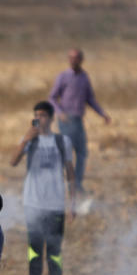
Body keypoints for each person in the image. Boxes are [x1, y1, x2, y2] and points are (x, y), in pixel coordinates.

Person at [10, 101, 75, 275]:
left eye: (44, 115)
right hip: (33, 205)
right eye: (37, 115)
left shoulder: (61, 141)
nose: (40, 119)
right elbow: (13, 162)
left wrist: (72, 203)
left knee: (54, 253)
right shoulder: (29, 140)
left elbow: (70, 173)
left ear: (52, 118)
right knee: (34, 253)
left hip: (55, 205)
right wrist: (26, 140)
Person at [48, 48, 110, 195]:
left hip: (78, 121)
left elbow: (90, 99)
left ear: (81, 59)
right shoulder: (63, 77)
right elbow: (52, 98)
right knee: (66, 153)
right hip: (65, 121)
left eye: (76, 58)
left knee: (82, 152)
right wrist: (60, 113)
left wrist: (103, 114)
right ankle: (62, 185)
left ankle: (76, 185)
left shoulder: (84, 78)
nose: (73, 60)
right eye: (70, 57)